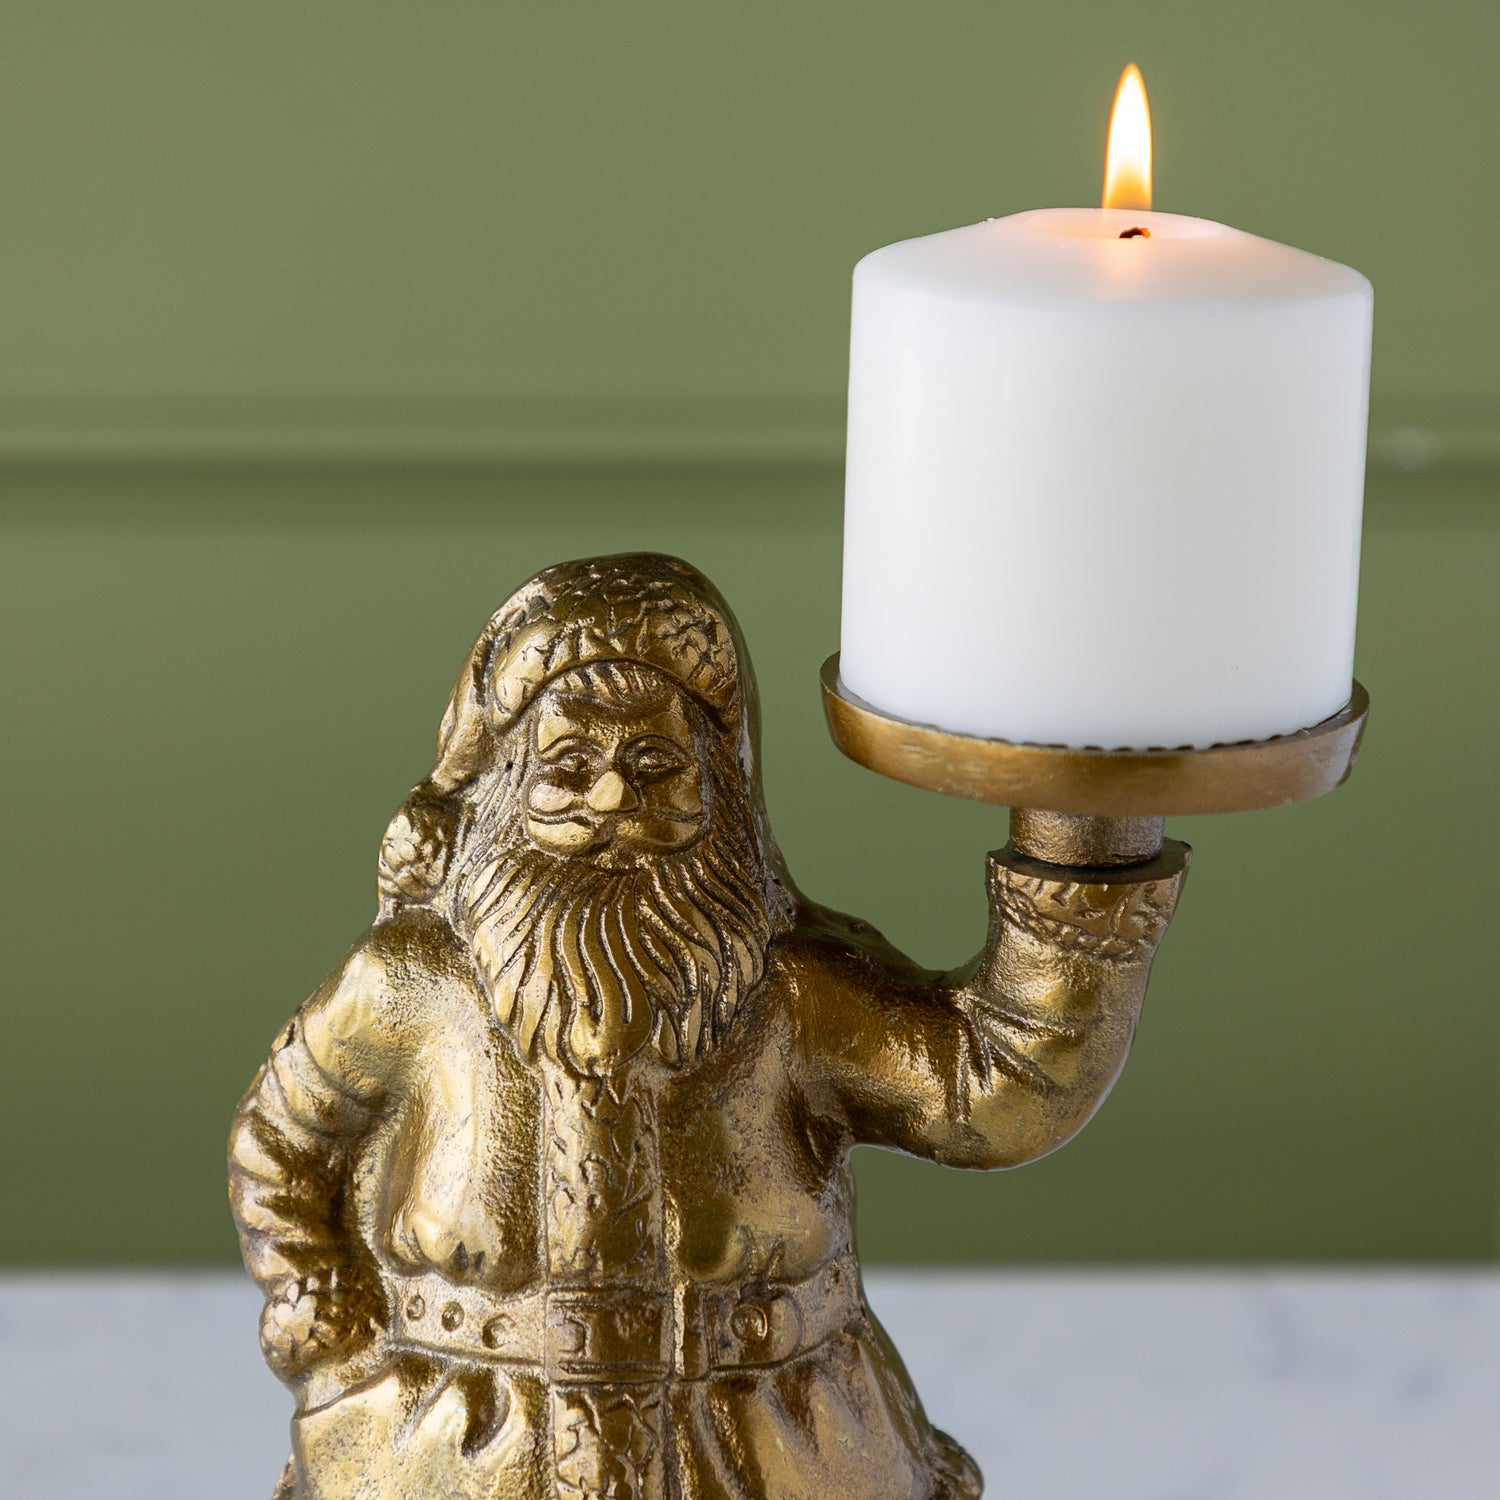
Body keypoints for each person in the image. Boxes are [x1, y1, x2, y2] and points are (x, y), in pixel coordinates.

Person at [229, 553, 1188, 1500]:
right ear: (504, 788)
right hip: (449, 1448)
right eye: (568, 768)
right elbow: (279, 1144)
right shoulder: (410, 986)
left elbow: (996, 1095)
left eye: (653, 764)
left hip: (772, 1438)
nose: (610, 800)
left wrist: (1083, 865)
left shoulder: (797, 993)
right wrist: (320, 1313)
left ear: (718, 783)